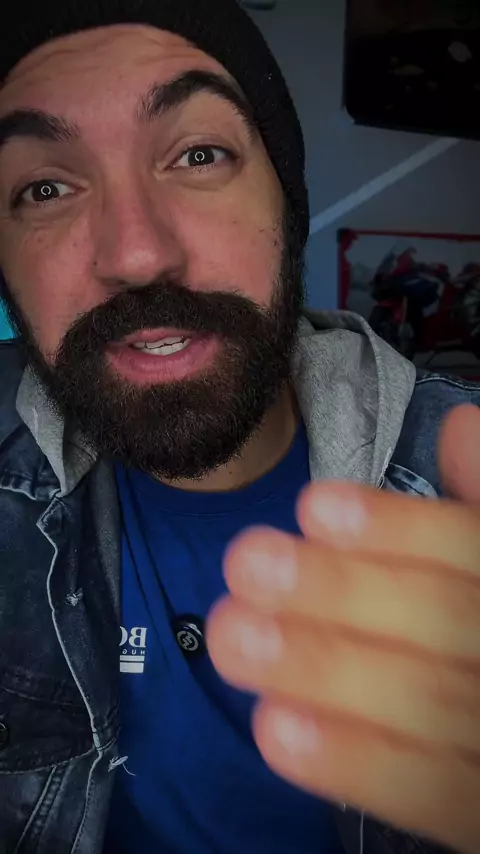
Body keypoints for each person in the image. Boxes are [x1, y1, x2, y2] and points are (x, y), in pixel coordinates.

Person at [0, 2, 479, 853]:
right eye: (46, 188)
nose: (137, 254)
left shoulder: (458, 475)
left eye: (198, 154)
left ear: (286, 206)